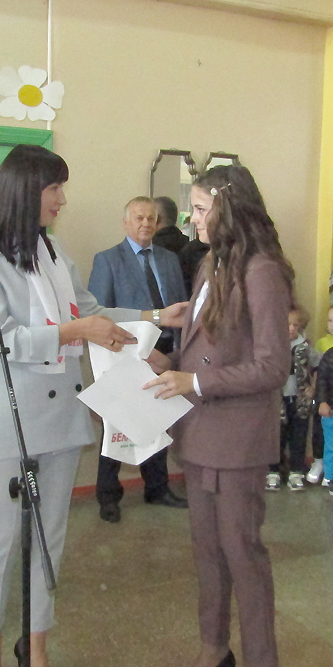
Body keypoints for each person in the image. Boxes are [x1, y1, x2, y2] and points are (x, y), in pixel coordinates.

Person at [0, 145, 187, 667]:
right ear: (25, 190)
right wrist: (74, 331)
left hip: (60, 416)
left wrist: (156, 317)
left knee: (48, 539)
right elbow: (1, 339)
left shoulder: (54, 251)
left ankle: (36, 645)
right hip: (8, 419)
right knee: (2, 537)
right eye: (54, 188)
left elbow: (92, 311)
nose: (62, 199)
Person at [145, 164, 293, 667]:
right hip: (201, 435)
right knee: (207, 552)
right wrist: (165, 361)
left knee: (242, 554)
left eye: (201, 208)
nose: (192, 218)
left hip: (237, 440)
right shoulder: (212, 264)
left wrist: (196, 382)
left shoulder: (261, 270)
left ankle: (262, 658)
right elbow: (207, 348)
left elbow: (272, 366)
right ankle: (214, 648)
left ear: (229, 208)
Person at [87, 196, 188, 523]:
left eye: (151, 218)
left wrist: (174, 355)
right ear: (126, 222)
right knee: (117, 424)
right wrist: (141, 349)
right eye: (139, 218)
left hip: (165, 354)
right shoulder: (107, 260)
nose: (146, 223)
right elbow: (100, 314)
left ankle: (157, 488)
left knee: (155, 419)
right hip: (125, 353)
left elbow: (178, 309)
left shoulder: (169, 260)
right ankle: (108, 495)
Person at [266, 305, 311, 492]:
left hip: (299, 400)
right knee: (277, 436)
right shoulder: (273, 347)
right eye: (288, 325)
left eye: (295, 325)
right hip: (278, 401)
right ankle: (273, 471)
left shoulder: (305, 347)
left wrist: (312, 388)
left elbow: (317, 367)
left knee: (298, 436)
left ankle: (296, 472)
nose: (292, 328)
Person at [307, 306, 333, 484]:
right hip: (330, 407)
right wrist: (322, 401)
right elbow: (322, 379)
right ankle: (329, 476)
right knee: (330, 444)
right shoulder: (328, 354)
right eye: (330, 321)